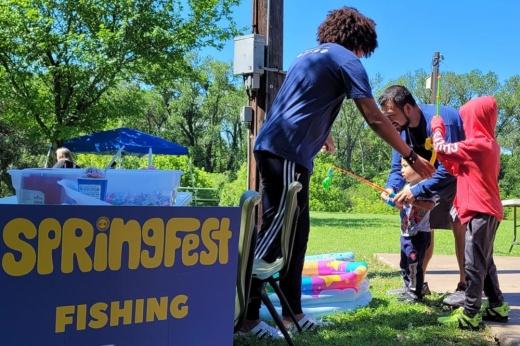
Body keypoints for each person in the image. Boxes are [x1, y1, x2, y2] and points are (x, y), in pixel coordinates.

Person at [239, 7, 435, 339]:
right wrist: (411, 156)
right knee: (275, 234)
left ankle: (292, 315)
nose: (362, 57)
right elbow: (374, 117)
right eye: (364, 51)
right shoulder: (347, 59)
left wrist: (322, 129)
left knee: (296, 237)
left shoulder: (310, 56)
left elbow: (297, 100)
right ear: (360, 42)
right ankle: (245, 318)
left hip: (284, 149)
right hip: (285, 151)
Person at [378, 85, 466, 304]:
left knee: (459, 225)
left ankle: (466, 286)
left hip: (460, 178)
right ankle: (418, 284)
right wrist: (391, 188)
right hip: (426, 182)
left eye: (391, 116)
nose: (389, 123)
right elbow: (396, 166)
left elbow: (450, 169)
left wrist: (414, 191)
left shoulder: (443, 120)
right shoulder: (399, 130)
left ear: (408, 108)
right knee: (425, 229)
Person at [434, 96, 510, 329]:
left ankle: (470, 315)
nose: (465, 124)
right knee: (484, 261)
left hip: (481, 212)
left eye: (467, 119)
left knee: (473, 265)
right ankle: (497, 306)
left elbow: (440, 147)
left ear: (476, 119)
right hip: (486, 212)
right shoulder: (489, 145)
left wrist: (437, 127)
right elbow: (457, 167)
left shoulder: (478, 145)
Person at [382, 158, 437, 303]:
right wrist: (390, 200)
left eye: (405, 166)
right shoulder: (406, 187)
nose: (401, 170)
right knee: (404, 263)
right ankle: (408, 288)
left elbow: (430, 205)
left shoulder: (425, 186)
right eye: (401, 166)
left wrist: (413, 200)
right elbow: (402, 206)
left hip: (419, 234)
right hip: (405, 233)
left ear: (420, 168)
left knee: (414, 265)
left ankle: (415, 293)